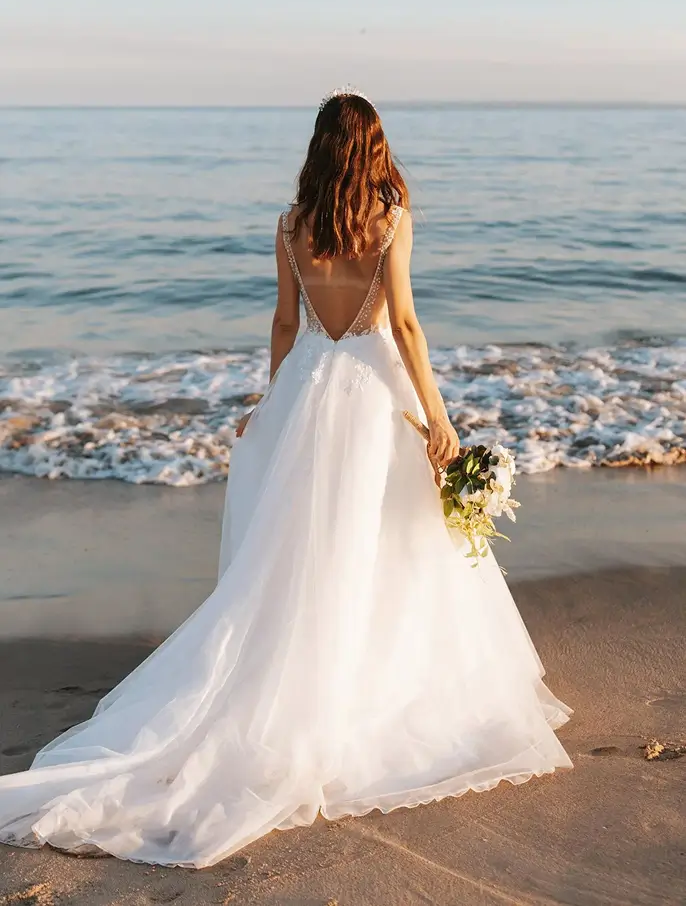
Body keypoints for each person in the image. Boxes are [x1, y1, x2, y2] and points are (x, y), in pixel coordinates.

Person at [0, 87, 572, 869]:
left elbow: (282, 321)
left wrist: (271, 403)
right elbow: (403, 324)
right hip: (373, 396)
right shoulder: (391, 221)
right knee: (385, 545)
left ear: (318, 148)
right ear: (372, 148)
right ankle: (371, 681)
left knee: (299, 550)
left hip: (308, 388)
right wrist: (439, 418)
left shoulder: (292, 226)